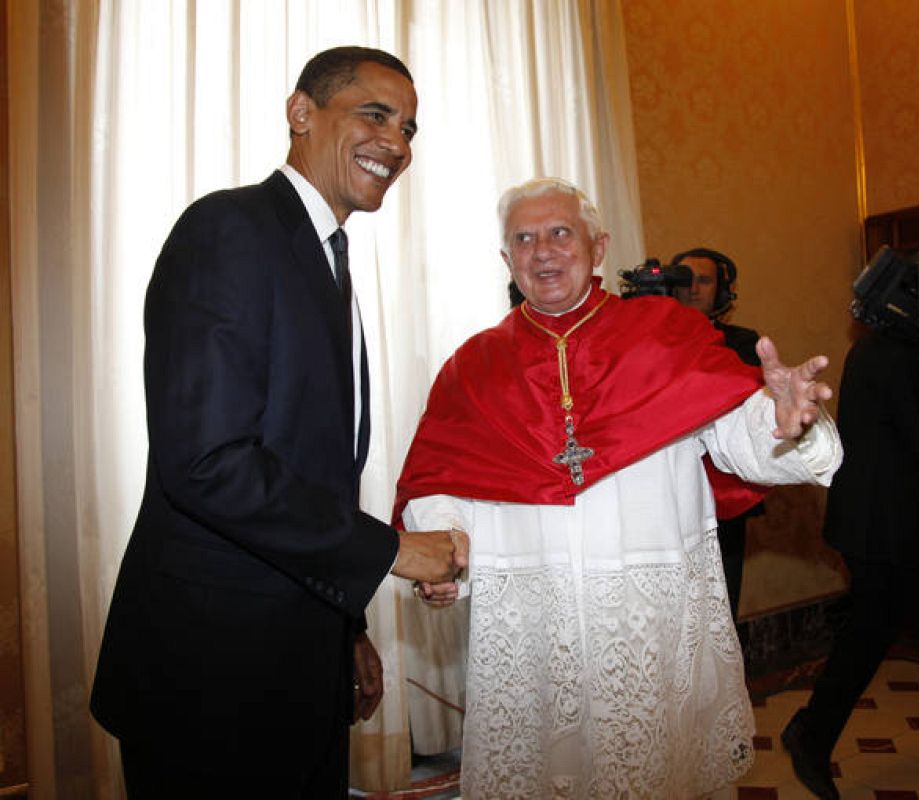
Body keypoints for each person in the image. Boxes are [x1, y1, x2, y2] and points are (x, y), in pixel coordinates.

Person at [89, 47, 467, 799]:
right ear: (301, 113)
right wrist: (393, 550)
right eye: (374, 113)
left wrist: (344, 632)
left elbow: (304, 468)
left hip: (297, 656)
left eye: (409, 127)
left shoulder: (329, 255)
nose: (396, 142)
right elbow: (207, 462)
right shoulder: (228, 229)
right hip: (211, 674)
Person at [394, 177, 843, 798]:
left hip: (647, 625)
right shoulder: (474, 365)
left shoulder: (665, 334)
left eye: (560, 233)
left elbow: (739, 437)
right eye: (524, 238)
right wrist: (446, 556)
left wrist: (783, 419)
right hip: (534, 635)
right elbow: (443, 485)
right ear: (506, 259)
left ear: (597, 247)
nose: (543, 250)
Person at [781, 289, 919, 798]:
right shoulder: (897, 355)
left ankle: (815, 736)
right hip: (896, 528)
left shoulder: (880, 348)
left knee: (918, 634)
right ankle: (811, 736)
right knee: (902, 635)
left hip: (883, 525)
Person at [672, 247, 764, 620]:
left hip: (723, 495)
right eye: (685, 279)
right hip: (669, 492)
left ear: (723, 291)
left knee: (723, 604)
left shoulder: (742, 342)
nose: (693, 288)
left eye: (705, 280)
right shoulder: (650, 340)